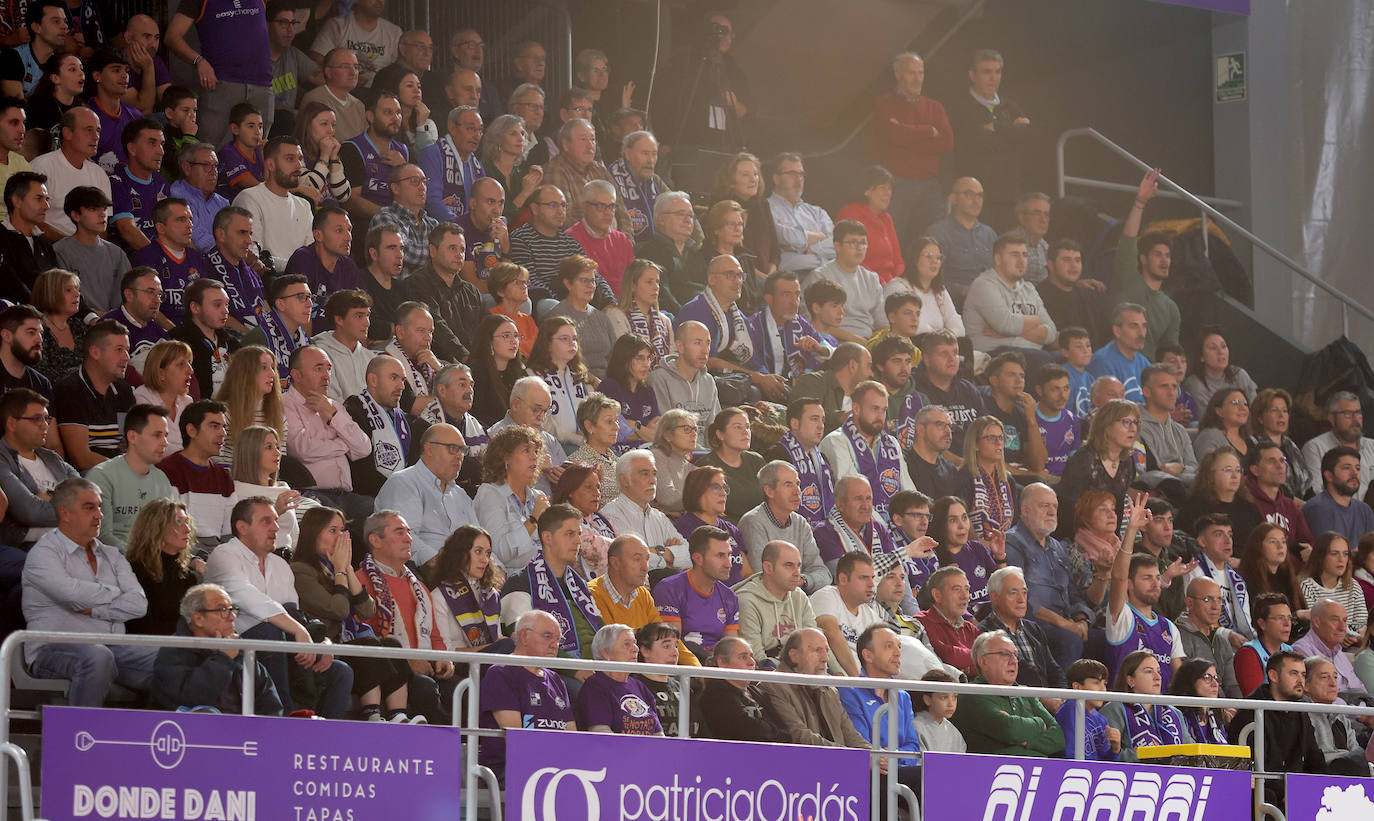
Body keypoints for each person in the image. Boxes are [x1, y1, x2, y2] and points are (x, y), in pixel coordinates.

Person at [201, 497, 352, 719]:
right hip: (231, 651)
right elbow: (251, 600)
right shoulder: (224, 555)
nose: (275, 527)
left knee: (341, 672)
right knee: (269, 632)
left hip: (281, 648)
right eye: (266, 521)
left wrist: (322, 643)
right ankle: (283, 718)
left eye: (275, 520)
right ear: (242, 528)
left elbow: (296, 614)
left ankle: (324, 739)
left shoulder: (281, 565)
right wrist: (299, 631)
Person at [19, 478, 155, 705]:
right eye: (89, 507)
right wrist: (118, 594)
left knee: (170, 658)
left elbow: (139, 605)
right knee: (97, 656)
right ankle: (78, 737)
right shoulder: (44, 553)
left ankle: (156, 736)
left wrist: (95, 610)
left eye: (100, 507)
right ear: (65, 513)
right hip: (53, 651)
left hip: (114, 648)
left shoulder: (112, 554)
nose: (99, 515)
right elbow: (71, 594)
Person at [355, 509, 455, 722]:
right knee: (426, 689)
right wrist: (407, 661)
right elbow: (364, 640)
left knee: (467, 688)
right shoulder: (360, 582)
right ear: (375, 540)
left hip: (425, 667)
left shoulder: (419, 587)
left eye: (408, 532)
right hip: (390, 671)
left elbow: (436, 638)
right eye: (399, 532)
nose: (409, 538)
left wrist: (442, 659)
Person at [151, 582, 283, 715]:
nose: (233, 617)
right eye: (223, 610)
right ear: (198, 619)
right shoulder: (174, 650)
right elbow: (191, 698)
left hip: (244, 732)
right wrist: (223, 659)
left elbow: (270, 704)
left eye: (232, 609)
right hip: (194, 731)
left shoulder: (241, 649)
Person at [477, 609, 577, 773]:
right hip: (514, 771)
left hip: (556, 770)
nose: (554, 644)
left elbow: (572, 738)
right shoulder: (501, 673)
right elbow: (517, 740)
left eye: (558, 639)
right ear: (524, 636)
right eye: (547, 636)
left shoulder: (555, 679)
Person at [499, 503, 603, 660]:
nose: (578, 541)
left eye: (579, 533)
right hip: (551, 673)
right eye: (569, 534)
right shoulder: (519, 583)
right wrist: (574, 670)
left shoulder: (578, 583)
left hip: (594, 667)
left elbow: (602, 631)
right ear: (547, 538)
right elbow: (521, 639)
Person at [281, 346, 373, 522]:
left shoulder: (334, 406)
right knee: (336, 523)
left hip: (346, 495)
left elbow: (364, 448)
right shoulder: (284, 404)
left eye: (328, 369)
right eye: (318, 369)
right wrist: (342, 444)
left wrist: (332, 416)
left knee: (380, 516)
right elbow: (302, 450)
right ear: (297, 375)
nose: (326, 375)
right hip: (311, 495)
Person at [1227, 650, 1327, 805]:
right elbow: (1256, 770)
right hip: (1263, 793)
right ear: (1273, 676)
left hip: (1293, 791)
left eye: (1303, 674)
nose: (1301, 680)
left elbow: (1315, 760)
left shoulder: (1300, 711)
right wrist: (1290, 794)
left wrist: (1309, 789)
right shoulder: (1250, 713)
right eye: (1294, 673)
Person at [837, 624, 925, 801]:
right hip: (866, 775)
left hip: (897, 771)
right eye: (888, 646)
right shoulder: (850, 691)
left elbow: (913, 746)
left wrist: (892, 757)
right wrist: (888, 757)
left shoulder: (903, 697)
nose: (898, 653)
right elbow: (861, 742)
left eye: (899, 646)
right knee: (929, 777)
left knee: (939, 777)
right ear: (868, 655)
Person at [1106, 496, 1186, 688]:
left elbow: (1181, 682)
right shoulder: (1122, 617)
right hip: (1126, 709)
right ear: (1130, 585)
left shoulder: (1169, 628)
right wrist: (1132, 529)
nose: (1155, 584)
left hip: (1161, 713)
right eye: (1147, 578)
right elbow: (1118, 576)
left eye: (1157, 578)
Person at [374, 423, 477, 568]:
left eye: (463, 450)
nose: (460, 456)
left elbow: (479, 540)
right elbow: (402, 538)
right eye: (453, 449)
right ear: (429, 449)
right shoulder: (404, 482)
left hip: (467, 576)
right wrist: (444, 567)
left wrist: (498, 569)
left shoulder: (460, 495)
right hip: (426, 576)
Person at [951, 630, 1064, 757]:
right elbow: (1009, 729)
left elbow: (1059, 737)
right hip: (990, 772)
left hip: (1039, 772)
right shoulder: (971, 694)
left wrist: (1028, 742)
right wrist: (1039, 723)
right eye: (1004, 654)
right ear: (983, 661)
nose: (1014, 661)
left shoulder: (1026, 693)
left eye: (1015, 654)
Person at [1108, 170, 1179, 361]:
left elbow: (1170, 353)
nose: (1164, 261)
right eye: (1158, 255)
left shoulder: (1171, 308)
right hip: (1117, 368)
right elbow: (1128, 242)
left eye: (1167, 256)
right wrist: (1140, 202)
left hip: (1150, 378)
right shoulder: (1129, 280)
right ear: (1143, 259)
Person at [86, 403, 174, 549]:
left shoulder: (162, 479)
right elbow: (101, 537)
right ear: (132, 436)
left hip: (154, 560)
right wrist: (141, 558)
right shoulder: (101, 476)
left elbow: (167, 532)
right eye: (157, 435)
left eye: (166, 435)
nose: (165, 443)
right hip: (114, 562)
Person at [0, 387, 78, 548]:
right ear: (12, 423)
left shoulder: (52, 458)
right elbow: (30, 512)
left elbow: (90, 496)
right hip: (29, 545)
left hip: (73, 541)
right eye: (36, 419)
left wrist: (48, 497)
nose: (45, 426)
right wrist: (74, 507)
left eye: (46, 418)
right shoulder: (2, 460)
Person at [738, 461, 831, 594]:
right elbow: (762, 577)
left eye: (797, 484)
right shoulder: (753, 522)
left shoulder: (801, 523)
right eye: (788, 485)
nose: (797, 491)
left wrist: (803, 580)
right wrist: (796, 581)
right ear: (769, 491)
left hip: (799, 598)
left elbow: (823, 573)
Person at [52, 319, 133, 470]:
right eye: (119, 349)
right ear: (95, 352)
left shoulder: (124, 391)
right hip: (89, 478)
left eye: (127, 350)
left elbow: (129, 443)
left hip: (122, 472)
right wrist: (126, 472)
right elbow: (81, 458)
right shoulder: (71, 390)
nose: (127, 357)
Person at [156, 399, 236, 551]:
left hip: (218, 559)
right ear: (191, 430)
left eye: (224, 427)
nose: (223, 433)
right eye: (214, 426)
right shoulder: (166, 471)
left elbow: (229, 536)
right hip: (181, 556)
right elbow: (166, 535)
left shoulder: (224, 478)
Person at [964, 231, 1056, 362]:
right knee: (1044, 360)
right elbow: (1006, 324)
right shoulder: (983, 285)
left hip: (1027, 355)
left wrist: (1007, 332)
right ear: (998, 259)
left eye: (1024, 255)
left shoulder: (1029, 288)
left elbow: (1051, 332)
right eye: (1014, 255)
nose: (1021, 261)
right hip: (993, 356)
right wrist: (1036, 321)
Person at [1056, 399, 1142, 537]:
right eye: (1126, 422)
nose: (1133, 428)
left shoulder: (1126, 461)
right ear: (1106, 425)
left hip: (1106, 536)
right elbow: (1068, 509)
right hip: (1075, 536)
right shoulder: (1084, 459)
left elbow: (1118, 509)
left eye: (1135, 422)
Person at [341, 354, 424, 497]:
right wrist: (397, 493)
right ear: (373, 380)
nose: (401, 386)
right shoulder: (354, 409)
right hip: (370, 496)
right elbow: (360, 470)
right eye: (394, 378)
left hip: (405, 496)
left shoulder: (405, 420)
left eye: (403, 380)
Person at [654, 525, 741, 656]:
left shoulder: (729, 597)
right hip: (684, 668)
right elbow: (672, 645)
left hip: (717, 666)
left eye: (729, 555)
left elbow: (731, 648)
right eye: (720, 556)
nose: (728, 563)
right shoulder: (669, 589)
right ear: (698, 558)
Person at [475, 424, 550, 572]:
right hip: (514, 583)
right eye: (526, 450)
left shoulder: (538, 496)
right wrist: (533, 520)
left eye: (536, 451)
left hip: (546, 576)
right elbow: (498, 553)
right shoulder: (490, 494)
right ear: (506, 458)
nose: (534, 456)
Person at [124, 499, 202, 636]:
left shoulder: (187, 576)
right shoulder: (135, 570)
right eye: (178, 522)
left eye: (186, 522)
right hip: (147, 646)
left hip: (181, 647)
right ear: (156, 527)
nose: (188, 529)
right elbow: (140, 627)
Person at [979, 566, 1063, 691]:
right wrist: (1042, 700)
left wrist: (1061, 698)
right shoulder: (983, 634)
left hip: (1047, 702)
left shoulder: (1033, 629)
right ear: (994, 597)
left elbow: (1054, 670)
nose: (1021, 600)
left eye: (1024, 592)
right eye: (1013, 593)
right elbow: (998, 681)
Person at [735, 539, 820, 664]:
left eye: (798, 566)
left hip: (802, 669)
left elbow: (816, 643)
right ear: (768, 568)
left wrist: (839, 674)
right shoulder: (747, 601)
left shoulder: (799, 597)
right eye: (789, 565)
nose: (797, 573)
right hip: (769, 676)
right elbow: (756, 659)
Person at [1100, 650, 1193, 762]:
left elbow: (1190, 751)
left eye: (1158, 671)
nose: (1157, 677)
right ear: (1130, 680)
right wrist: (1157, 758)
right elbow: (1106, 754)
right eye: (1149, 671)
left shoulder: (1175, 713)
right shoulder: (1115, 709)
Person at [30, 108, 109, 239]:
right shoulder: (41, 167)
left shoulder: (99, 174)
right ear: (67, 133)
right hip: (51, 250)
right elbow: (31, 220)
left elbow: (102, 227)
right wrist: (70, 247)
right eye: (89, 130)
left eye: (98, 131)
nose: (96, 137)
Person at [232, 136, 312, 265]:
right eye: (290, 159)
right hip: (268, 281)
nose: (299, 165)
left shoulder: (304, 205)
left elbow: (311, 253)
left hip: (301, 280)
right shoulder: (250, 198)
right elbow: (253, 256)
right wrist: (296, 267)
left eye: (300, 159)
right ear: (270, 165)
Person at [543, 118, 631, 233]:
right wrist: (598, 238)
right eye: (583, 139)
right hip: (578, 246)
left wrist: (625, 241)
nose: (590, 145)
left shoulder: (600, 170)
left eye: (593, 140)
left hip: (611, 242)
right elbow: (564, 219)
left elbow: (622, 211)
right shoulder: (555, 170)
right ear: (566, 145)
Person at [575, 623, 663, 735]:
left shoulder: (639, 686)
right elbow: (601, 733)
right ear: (605, 653)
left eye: (634, 643)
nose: (635, 649)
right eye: (627, 644)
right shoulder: (595, 686)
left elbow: (658, 734)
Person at [54, 186, 130, 314]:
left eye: (104, 209)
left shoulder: (117, 253)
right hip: (78, 322)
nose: (102, 215)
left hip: (115, 324)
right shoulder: (59, 251)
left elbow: (126, 296)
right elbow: (60, 297)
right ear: (76, 216)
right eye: (93, 209)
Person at [428, 525, 504, 651]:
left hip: (490, 663)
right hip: (461, 667)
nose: (485, 560)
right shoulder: (440, 596)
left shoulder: (491, 594)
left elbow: (497, 638)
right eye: (478, 551)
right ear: (459, 554)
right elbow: (444, 652)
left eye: (488, 553)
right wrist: (491, 650)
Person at [231, 423, 306, 552]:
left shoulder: (283, 489)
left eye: (277, 447)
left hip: (288, 560)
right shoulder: (236, 491)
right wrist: (275, 511)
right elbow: (240, 539)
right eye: (269, 447)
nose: (278, 453)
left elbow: (295, 536)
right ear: (251, 452)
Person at [646, 320, 721, 449]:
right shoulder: (659, 378)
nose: (705, 350)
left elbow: (715, 427)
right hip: (675, 453)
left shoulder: (708, 381)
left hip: (706, 455)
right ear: (680, 346)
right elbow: (666, 431)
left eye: (707, 343)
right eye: (697, 343)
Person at [1183, 513, 1255, 642]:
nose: (1228, 540)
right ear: (1202, 541)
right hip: (1205, 643)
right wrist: (1228, 635)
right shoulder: (1194, 573)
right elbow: (1191, 618)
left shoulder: (1237, 580)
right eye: (1219, 534)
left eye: (1230, 534)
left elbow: (1246, 624)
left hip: (1236, 643)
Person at [544, 255, 619, 378]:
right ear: (568, 283)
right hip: (576, 382)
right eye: (584, 281)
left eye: (593, 281)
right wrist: (591, 379)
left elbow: (616, 358)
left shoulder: (602, 317)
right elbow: (555, 361)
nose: (590, 286)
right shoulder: (556, 317)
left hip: (607, 383)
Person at [675, 465, 751, 585]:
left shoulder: (731, 529)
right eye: (716, 487)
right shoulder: (682, 528)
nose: (723, 494)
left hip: (739, 597)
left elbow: (747, 573)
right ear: (697, 491)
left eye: (725, 488)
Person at [214, 345, 287, 467]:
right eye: (264, 367)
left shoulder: (279, 416)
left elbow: (278, 465)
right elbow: (215, 461)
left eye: (273, 367)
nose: (272, 374)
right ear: (245, 373)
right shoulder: (223, 413)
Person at [632, 190, 704, 313]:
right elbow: (663, 296)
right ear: (661, 220)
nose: (688, 220)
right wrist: (688, 316)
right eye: (681, 214)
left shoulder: (695, 253)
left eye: (691, 216)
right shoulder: (650, 252)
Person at [107, 118, 169, 254]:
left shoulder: (162, 182)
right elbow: (128, 231)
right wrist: (163, 259)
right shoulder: (116, 182)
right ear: (132, 149)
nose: (161, 151)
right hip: (132, 264)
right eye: (152, 143)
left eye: (161, 144)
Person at [169, 278, 237, 401]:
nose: (225, 311)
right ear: (195, 307)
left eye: (226, 304)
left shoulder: (233, 342)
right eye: (217, 305)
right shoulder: (177, 342)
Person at [1304, 655, 1374, 775]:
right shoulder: (1302, 716)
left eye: (1335, 677)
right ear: (1305, 684)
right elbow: (1318, 761)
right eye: (1325, 677)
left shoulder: (1340, 716)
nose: (1333, 683)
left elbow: (1356, 755)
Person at [1176, 575, 1244, 698]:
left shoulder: (1222, 641)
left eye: (1219, 600)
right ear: (1189, 603)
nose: (1216, 606)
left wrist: (1234, 709)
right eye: (1207, 599)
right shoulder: (1178, 636)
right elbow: (1187, 686)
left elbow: (1232, 686)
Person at [1179, 446, 1261, 546]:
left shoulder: (1249, 507)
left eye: (1238, 470)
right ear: (1210, 475)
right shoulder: (1195, 507)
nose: (1235, 476)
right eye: (1228, 470)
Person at [306, 0, 400, 87]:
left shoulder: (394, 32)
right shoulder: (338, 26)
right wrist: (345, 78)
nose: (380, 1)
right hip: (342, 91)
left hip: (380, 93)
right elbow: (315, 60)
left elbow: (400, 70)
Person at [204, 206, 268, 332]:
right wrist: (255, 339)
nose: (249, 241)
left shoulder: (252, 274)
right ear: (221, 235)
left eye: (250, 234)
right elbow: (211, 315)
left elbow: (266, 310)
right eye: (242, 233)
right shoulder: (205, 268)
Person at [566, 180, 635, 297]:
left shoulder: (622, 240)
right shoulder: (570, 239)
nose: (608, 213)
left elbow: (634, 279)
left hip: (627, 304)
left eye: (612, 206)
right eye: (601, 206)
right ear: (585, 207)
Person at [0, 172, 58, 304]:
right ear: (17, 201)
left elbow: (59, 285)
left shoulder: (44, 244)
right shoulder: (2, 237)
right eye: (39, 199)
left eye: (46, 199)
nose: (46, 206)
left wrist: (90, 316)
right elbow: (11, 285)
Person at [1302, 392, 1374, 499]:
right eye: (1348, 414)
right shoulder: (1315, 447)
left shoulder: (1372, 446)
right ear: (1331, 418)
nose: (1355, 419)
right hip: (1334, 513)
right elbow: (1316, 492)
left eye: (1358, 413)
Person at [1298, 542, 1369, 651]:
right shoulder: (1307, 585)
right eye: (1334, 553)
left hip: (1352, 647)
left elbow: (1362, 623)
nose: (1341, 559)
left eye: (1345, 554)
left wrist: (1357, 637)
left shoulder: (1353, 585)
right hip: (1318, 647)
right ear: (1320, 557)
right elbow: (1314, 622)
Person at [1137, 363, 1197, 488]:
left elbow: (1195, 467)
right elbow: (1157, 469)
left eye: (1174, 387)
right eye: (1164, 386)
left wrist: (1181, 468)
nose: (1172, 393)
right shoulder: (1136, 427)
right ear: (1147, 391)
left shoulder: (1180, 430)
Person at [1249, 388, 1312, 500]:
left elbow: (1307, 486)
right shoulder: (1253, 445)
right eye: (1274, 410)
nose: (1281, 415)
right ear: (1260, 418)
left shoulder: (1291, 446)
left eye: (1285, 411)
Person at [916, 565, 980, 675]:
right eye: (957, 589)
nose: (965, 596)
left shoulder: (970, 628)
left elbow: (991, 661)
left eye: (967, 589)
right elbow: (945, 655)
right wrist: (977, 660)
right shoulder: (920, 623)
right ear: (937, 595)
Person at [1304, 446, 1374, 545]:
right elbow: (1326, 555)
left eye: (1358, 468)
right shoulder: (1317, 508)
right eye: (1347, 468)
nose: (1355, 473)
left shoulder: (1364, 510)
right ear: (1329, 476)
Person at [1052, 660, 1121, 761]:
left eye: (1104, 684)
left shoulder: (1102, 720)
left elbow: (1106, 762)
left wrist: (1115, 749)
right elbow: (1070, 755)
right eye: (1096, 683)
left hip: (1094, 774)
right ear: (1077, 687)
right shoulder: (1070, 709)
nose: (1103, 689)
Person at [168, 143, 228, 254]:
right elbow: (197, 238)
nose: (213, 171)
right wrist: (231, 249)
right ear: (187, 168)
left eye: (215, 166)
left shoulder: (223, 203)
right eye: (206, 165)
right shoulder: (177, 196)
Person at [296, 47, 366, 143]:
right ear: (328, 72)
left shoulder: (359, 105)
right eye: (345, 67)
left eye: (356, 67)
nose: (353, 72)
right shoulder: (315, 99)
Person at [478, 113, 539, 222]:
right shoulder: (484, 172)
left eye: (522, 134)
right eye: (513, 134)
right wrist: (525, 193)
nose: (521, 138)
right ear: (498, 140)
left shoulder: (522, 176)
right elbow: (497, 218)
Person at [1234, 592, 1295, 697]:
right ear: (1262, 624)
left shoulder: (1292, 652)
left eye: (1289, 618)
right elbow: (1256, 698)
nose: (1287, 623)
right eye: (1280, 618)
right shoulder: (1248, 654)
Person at [32, 267, 86, 384]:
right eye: (68, 290)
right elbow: (42, 374)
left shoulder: (79, 326)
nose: (77, 294)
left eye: (77, 289)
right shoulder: (37, 330)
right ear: (50, 293)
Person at [292, 102, 352, 205]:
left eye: (333, 125)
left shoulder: (331, 154)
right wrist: (324, 157)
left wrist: (333, 158)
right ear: (307, 125)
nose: (331, 131)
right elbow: (309, 190)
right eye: (324, 124)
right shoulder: (295, 152)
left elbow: (343, 195)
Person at [214, 103, 264, 199]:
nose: (258, 132)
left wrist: (266, 157)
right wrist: (297, 189)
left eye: (260, 127)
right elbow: (256, 188)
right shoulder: (228, 154)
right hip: (229, 210)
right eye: (251, 126)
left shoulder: (260, 150)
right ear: (235, 129)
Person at [486, 262, 536, 358]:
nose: (524, 286)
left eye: (525, 282)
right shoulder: (493, 319)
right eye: (517, 282)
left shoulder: (528, 320)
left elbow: (540, 350)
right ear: (500, 291)